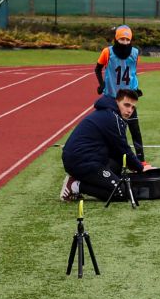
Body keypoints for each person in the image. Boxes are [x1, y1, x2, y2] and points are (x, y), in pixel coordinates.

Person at [60, 89, 144, 202]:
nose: (130, 110)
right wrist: (141, 168)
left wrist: (133, 165)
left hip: (88, 158)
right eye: (126, 105)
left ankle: (84, 180)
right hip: (81, 161)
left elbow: (117, 150)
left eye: (133, 107)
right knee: (121, 192)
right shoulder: (112, 118)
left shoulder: (111, 113)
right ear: (117, 102)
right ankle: (75, 186)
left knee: (117, 166)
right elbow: (124, 149)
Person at [94, 25, 145, 161]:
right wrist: (102, 84)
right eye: (122, 39)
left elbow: (133, 72)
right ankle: (110, 158)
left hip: (128, 97)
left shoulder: (135, 53)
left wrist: (136, 88)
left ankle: (141, 160)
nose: (125, 42)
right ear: (116, 39)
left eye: (127, 39)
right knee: (113, 130)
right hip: (112, 96)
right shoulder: (107, 52)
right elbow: (97, 69)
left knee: (135, 129)